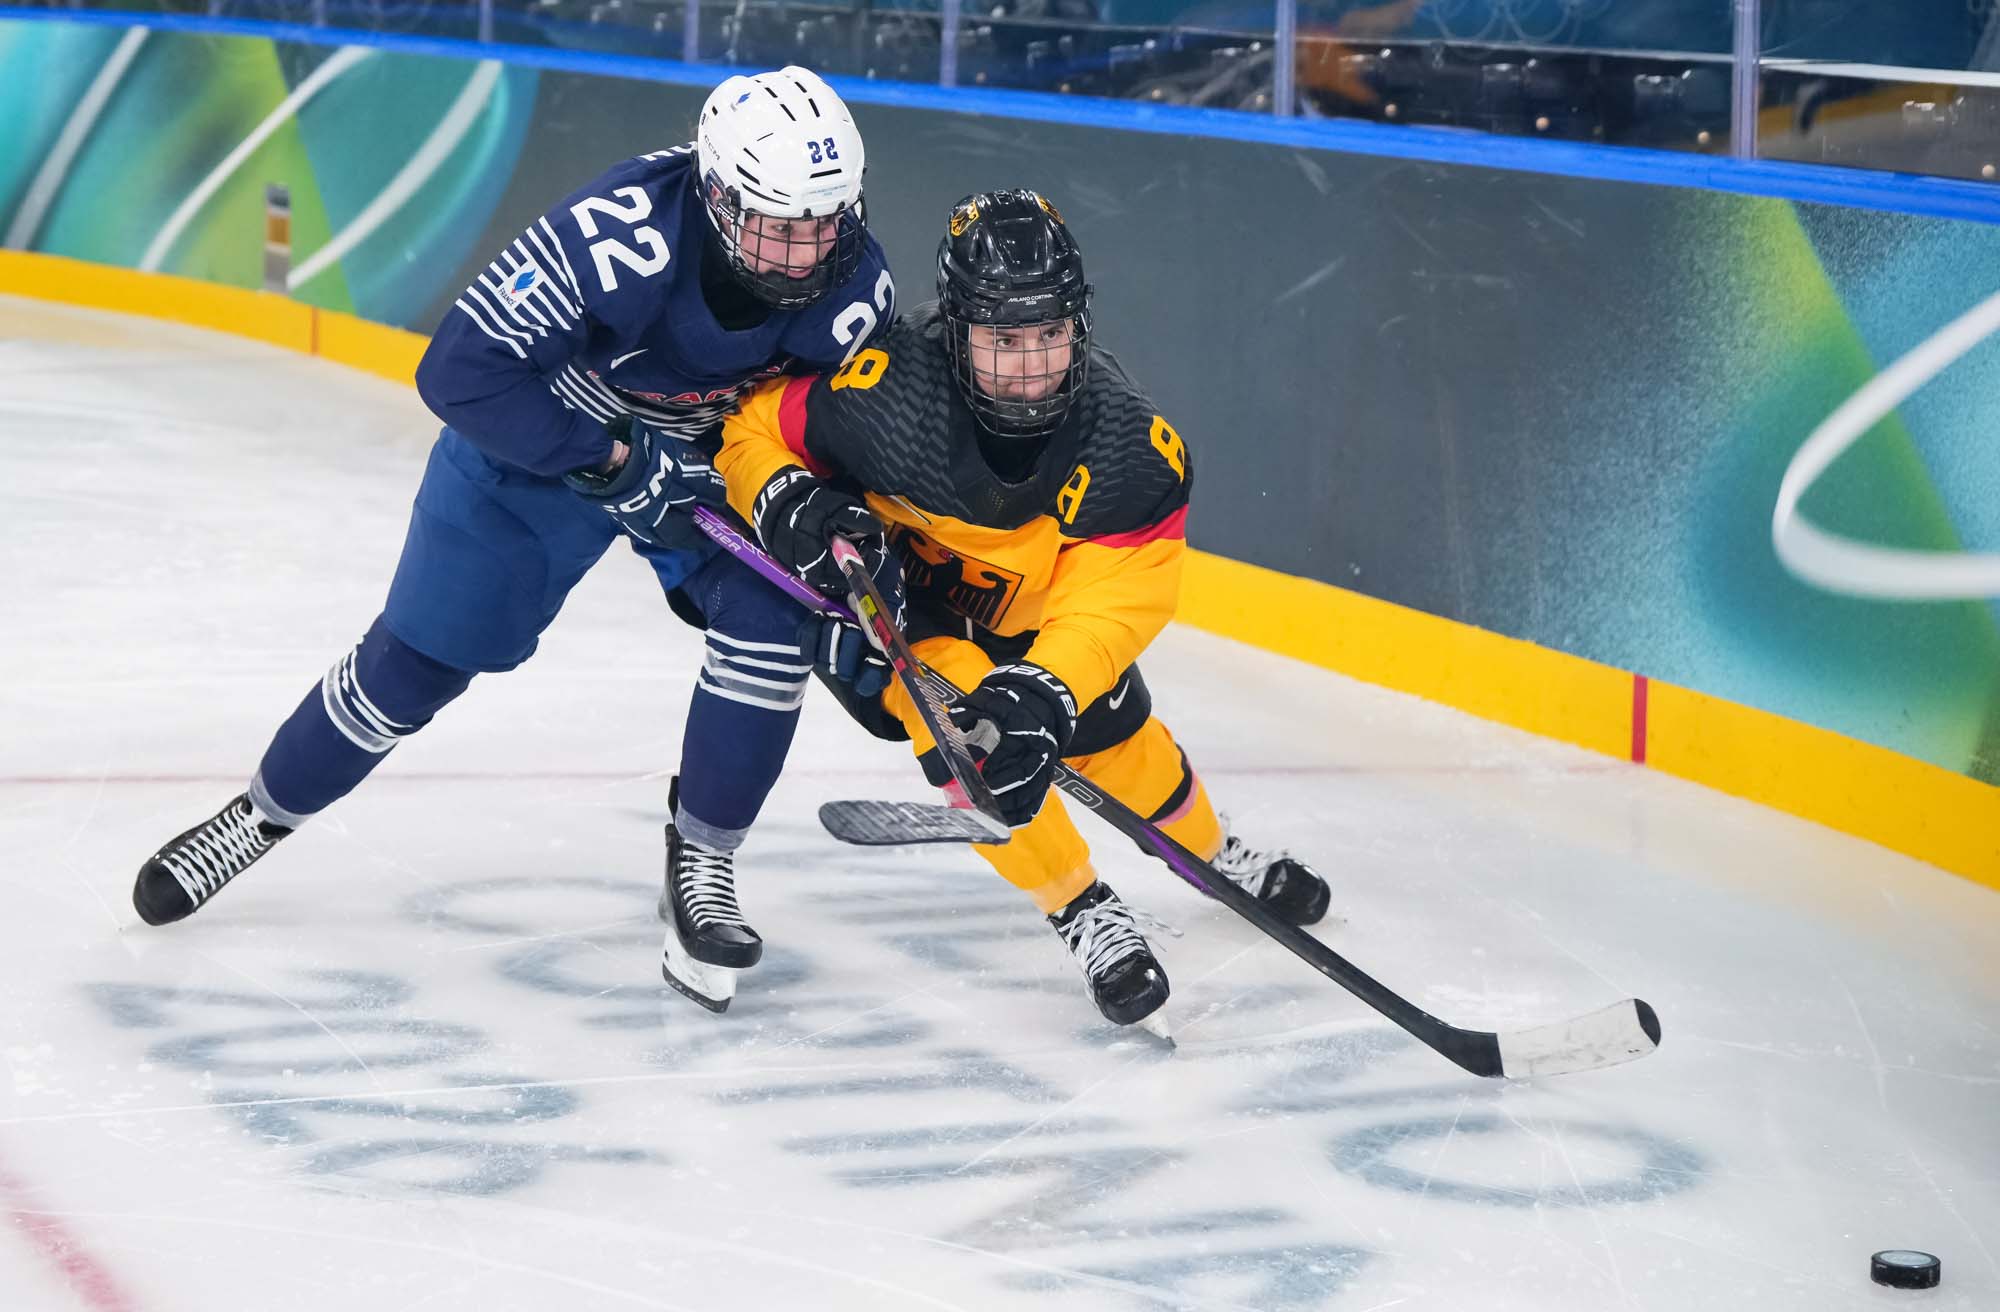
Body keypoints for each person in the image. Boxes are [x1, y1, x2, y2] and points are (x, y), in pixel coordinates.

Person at [131, 67, 898, 1013]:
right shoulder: (618, 234)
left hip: (710, 468)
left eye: (824, 223)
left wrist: (844, 543)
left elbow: (845, 435)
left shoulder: (855, 283)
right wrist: (611, 454)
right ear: (715, 192)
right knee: (416, 665)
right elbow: (459, 370)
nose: (804, 254)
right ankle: (259, 816)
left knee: (774, 619)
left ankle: (703, 858)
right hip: (545, 448)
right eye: (779, 226)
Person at [714, 189, 1328, 1031]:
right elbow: (749, 431)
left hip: (1042, 621)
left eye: (1049, 333)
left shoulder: (1130, 448)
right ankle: (1080, 908)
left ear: (1080, 323)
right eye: (1004, 339)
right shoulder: (883, 391)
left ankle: (1213, 853)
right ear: (956, 329)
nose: (1032, 363)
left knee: (1124, 750)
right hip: (911, 611)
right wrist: (787, 496)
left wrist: (1046, 689)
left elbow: (1117, 601)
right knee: (967, 739)